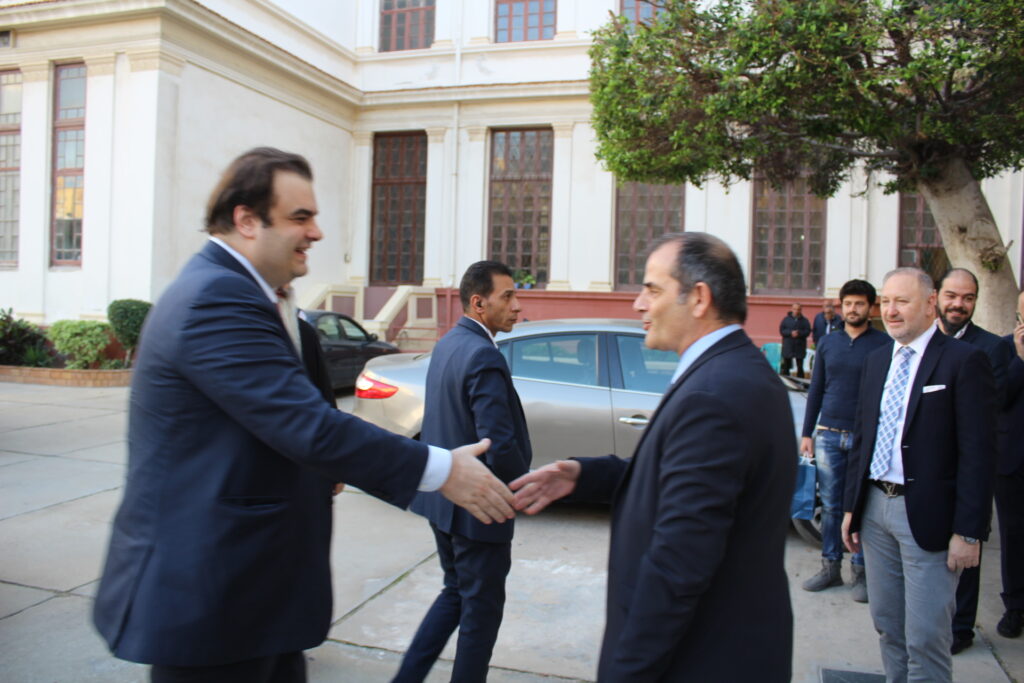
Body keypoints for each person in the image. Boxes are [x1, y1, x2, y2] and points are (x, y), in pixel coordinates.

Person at [92, 148, 515, 683]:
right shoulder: (215, 298)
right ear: (247, 220)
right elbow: (307, 425)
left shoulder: (250, 294)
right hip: (209, 602)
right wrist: (441, 470)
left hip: (254, 596)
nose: (316, 232)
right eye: (300, 217)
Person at [511, 233, 795, 682]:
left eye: (652, 290)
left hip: (701, 659)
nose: (638, 304)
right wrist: (586, 475)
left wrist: (626, 672)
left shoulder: (715, 394)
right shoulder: (731, 371)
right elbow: (684, 481)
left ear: (698, 298)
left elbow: (678, 564)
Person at [842, 267, 996, 683]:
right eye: (886, 302)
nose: (890, 311)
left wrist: (969, 532)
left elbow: (979, 454)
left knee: (926, 636)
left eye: (902, 301)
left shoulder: (964, 361)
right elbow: (863, 438)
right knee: (888, 625)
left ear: (930, 305)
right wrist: (851, 509)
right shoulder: (876, 361)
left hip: (929, 519)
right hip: (875, 511)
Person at [393, 261, 532, 683]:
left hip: (442, 503)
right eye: (507, 296)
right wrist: (518, 491)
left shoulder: (450, 342)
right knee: (480, 617)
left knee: (455, 593)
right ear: (478, 302)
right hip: (479, 511)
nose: (517, 306)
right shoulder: (483, 354)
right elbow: (498, 444)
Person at [934, 267, 1014, 654]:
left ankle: (961, 628)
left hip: (968, 466)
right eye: (952, 296)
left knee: (966, 548)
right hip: (926, 466)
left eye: (967, 298)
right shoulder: (922, 340)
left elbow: (990, 409)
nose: (958, 304)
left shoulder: (992, 347)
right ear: (936, 296)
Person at [799, 280, 889, 602]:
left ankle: (861, 572)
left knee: (861, 506)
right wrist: (807, 433)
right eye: (848, 303)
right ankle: (830, 567)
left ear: (870, 307)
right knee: (831, 506)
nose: (853, 309)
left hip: (866, 438)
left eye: (859, 303)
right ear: (841, 306)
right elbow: (816, 389)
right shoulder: (827, 343)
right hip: (828, 435)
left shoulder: (884, 345)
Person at [995, 291, 1024, 640]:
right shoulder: (1003, 349)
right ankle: (1015, 606)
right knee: (1013, 536)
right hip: (1013, 460)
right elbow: (999, 399)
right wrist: (1021, 359)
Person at [780, 302, 811, 377]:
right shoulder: (786, 319)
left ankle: (800, 381)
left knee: (800, 367)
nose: (796, 311)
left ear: (801, 310)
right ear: (792, 309)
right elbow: (782, 330)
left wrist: (799, 333)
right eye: (795, 309)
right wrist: (790, 333)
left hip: (799, 346)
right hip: (788, 346)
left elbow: (807, 331)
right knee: (786, 367)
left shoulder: (805, 320)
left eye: (798, 309)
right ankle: (786, 381)